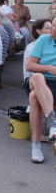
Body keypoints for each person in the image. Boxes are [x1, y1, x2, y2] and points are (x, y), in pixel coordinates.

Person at [25, 17, 56, 163]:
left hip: (51, 85)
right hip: (39, 79)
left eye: (54, 26)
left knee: (34, 98)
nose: (52, 29)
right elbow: (30, 66)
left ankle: (36, 147)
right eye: (52, 26)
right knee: (37, 77)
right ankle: (53, 121)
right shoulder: (44, 40)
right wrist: (49, 68)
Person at [23, 19, 52, 84]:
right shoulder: (32, 47)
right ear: (38, 31)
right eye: (48, 28)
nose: (51, 30)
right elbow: (29, 70)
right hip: (36, 81)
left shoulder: (50, 44)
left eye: (51, 27)